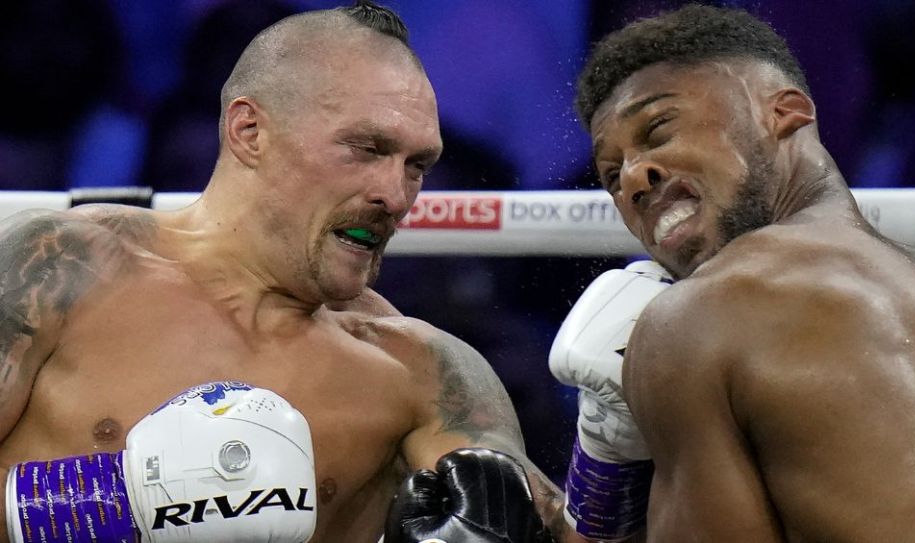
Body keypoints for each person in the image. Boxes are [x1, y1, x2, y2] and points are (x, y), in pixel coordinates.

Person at [0, 2, 568, 542]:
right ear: (250, 132)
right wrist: (117, 501)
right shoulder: (61, 267)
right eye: (368, 148)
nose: (395, 195)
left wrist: (609, 445)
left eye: (416, 166)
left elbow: (544, 528)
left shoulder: (422, 373)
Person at [552, 3, 915, 541]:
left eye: (659, 130)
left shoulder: (700, 316)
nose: (633, 179)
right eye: (609, 175)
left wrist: (593, 490)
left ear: (784, 112)